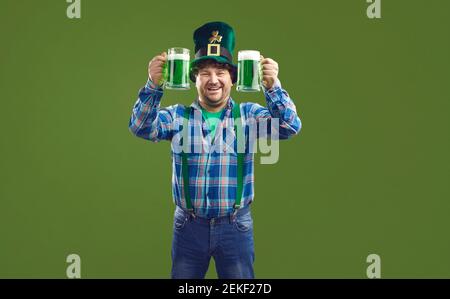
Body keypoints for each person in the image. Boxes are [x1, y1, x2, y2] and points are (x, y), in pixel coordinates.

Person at [129, 21, 301, 279]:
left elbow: (289, 125)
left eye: (220, 71)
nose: (213, 80)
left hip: (235, 227)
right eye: (204, 72)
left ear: (232, 77)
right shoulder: (178, 117)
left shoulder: (249, 115)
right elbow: (141, 127)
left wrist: (273, 86)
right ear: (194, 78)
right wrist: (153, 85)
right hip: (188, 226)